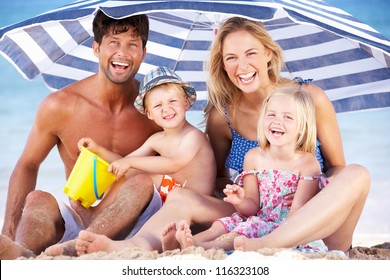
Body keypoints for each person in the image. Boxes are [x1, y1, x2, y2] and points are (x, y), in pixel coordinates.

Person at [73, 16, 370, 256]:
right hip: (253, 217)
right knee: (181, 196)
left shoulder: (309, 98)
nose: (242, 66)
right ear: (222, 64)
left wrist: (310, 194)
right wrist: (239, 195)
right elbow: (215, 179)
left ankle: (276, 241)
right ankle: (132, 247)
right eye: (231, 58)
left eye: (251, 53)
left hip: (314, 225)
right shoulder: (222, 115)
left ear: (268, 53)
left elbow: (338, 167)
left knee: (357, 174)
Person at [0, 10, 163, 259]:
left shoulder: (155, 110)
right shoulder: (61, 105)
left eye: (133, 44)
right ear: (96, 48)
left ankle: (72, 248)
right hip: (79, 216)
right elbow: (27, 165)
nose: (123, 53)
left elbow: (180, 163)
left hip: (134, 223)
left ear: (144, 53)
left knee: (141, 182)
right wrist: (9, 230)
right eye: (113, 43)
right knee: (38, 200)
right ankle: (20, 254)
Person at [75, 66, 216, 256]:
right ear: (149, 113)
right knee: (130, 171)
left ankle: (117, 231)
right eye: (158, 106)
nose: (166, 108)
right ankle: (97, 212)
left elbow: (174, 163)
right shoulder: (156, 139)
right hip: (173, 205)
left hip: (200, 206)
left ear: (185, 103)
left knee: (141, 170)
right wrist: (98, 150)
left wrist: (131, 163)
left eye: (172, 101)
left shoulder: (194, 137)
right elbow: (125, 162)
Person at [167, 87, 327, 252]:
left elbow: (298, 212)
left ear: (302, 127)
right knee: (224, 224)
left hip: (285, 228)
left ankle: (200, 247)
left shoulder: (308, 163)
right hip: (256, 218)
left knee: (245, 231)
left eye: (288, 117)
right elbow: (252, 207)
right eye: (271, 115)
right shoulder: (253, 157)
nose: (277, 121)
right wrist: (240, 201)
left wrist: (274, 232)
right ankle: (187, 241)